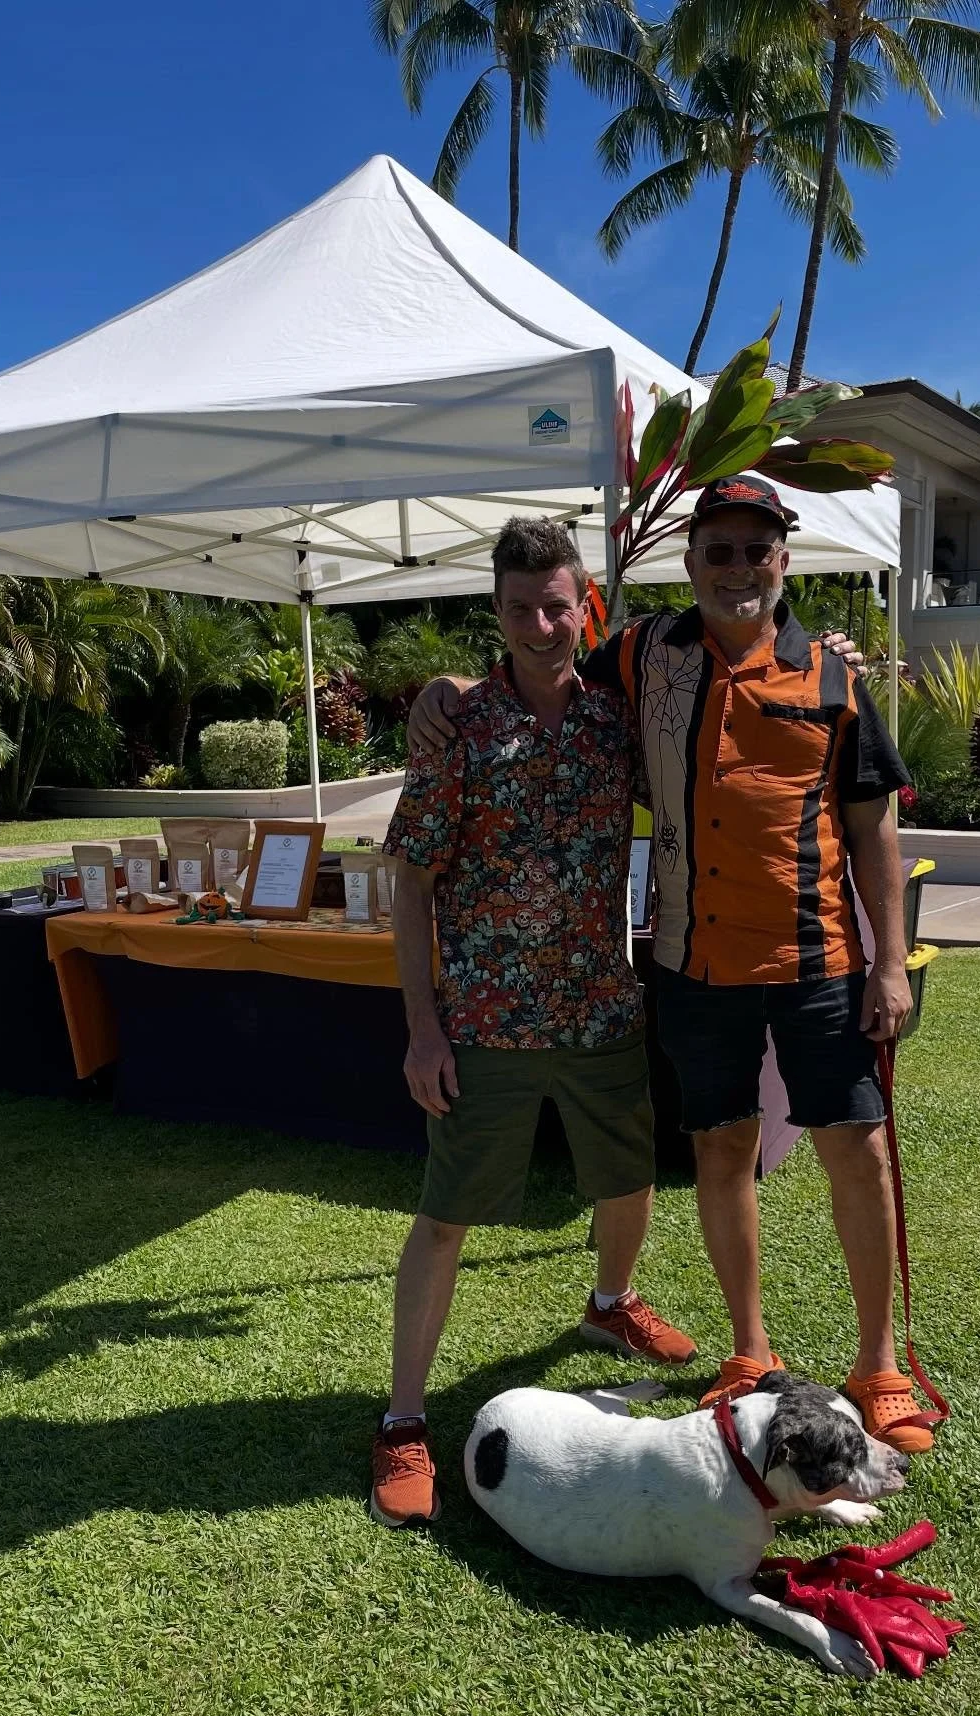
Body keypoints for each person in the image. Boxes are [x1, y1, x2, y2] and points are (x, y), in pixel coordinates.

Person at [410, 477, 936, 1454]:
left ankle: (879, 1365)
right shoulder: (646, 654)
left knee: (853, 1151)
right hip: (695, 967)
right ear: (690, 562)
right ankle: (750, 1349)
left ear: (785, 560)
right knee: (720, 1153)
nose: (739, 568)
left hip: (822, 960)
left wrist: (891, 963)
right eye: (719, 551)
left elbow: (875, 832)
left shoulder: (833, 674)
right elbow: (541, 651)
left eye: (757, 550)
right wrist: (446, 695)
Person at [371, 516, 696, 1528]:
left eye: (558, 605)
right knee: (448, 1213)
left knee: (628, 1177)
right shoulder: (459, 728)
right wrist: (423, 1028)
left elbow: (706, 743)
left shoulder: (613, 720)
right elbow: (412, 882)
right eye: (521, 610)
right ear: (497, 613)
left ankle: (609, 1305)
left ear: (584, 598)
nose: (543, 625)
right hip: (486, 1022)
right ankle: (402, 1419)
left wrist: (836, 661)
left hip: (602, 1006)